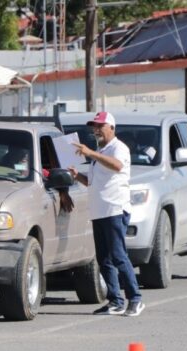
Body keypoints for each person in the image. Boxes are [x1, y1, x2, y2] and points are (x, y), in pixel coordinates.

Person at [69, 112, 144, 317]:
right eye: (94, 126)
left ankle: (135, 299)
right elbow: (93, 182)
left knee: (119, 255)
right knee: (104, 259)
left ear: (111, 127)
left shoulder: (118, 148)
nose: (96, 130)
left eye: (100, 126)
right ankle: (115, 301)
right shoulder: (101, 151)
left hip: (114, 209)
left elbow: (117, 166)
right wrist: (77, 176)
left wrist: (90, 153)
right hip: (99, 211)